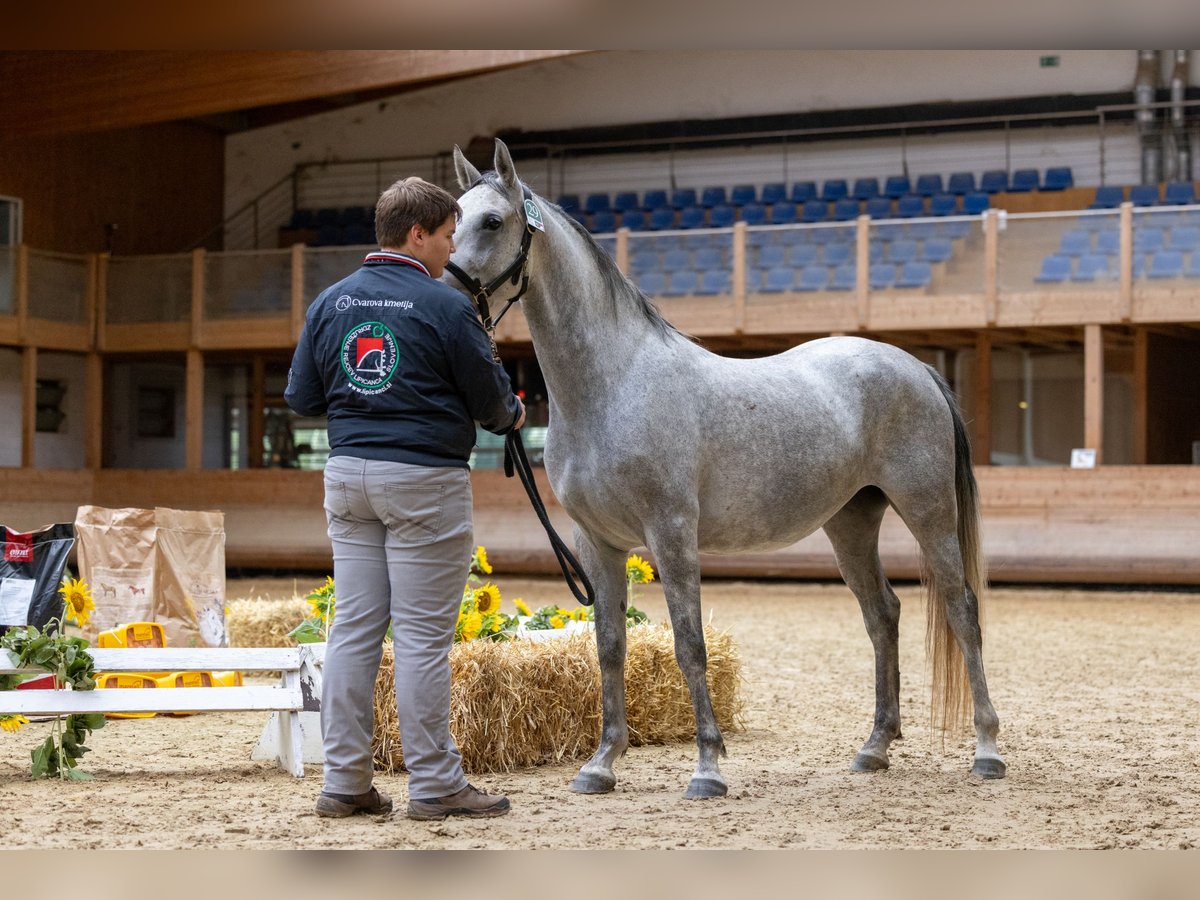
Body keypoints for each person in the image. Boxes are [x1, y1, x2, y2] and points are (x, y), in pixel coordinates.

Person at [285, 176, 524, 821]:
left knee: (353, 632)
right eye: (448, 237)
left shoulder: (330, 302)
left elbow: (303, 398)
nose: (453, 251)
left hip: (348, 476)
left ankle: (344, 782)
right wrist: (513, 410)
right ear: (418, 235)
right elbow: (493, 406)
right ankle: (436, 784)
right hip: (423, 481)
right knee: (421, 638)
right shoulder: (447, 308)